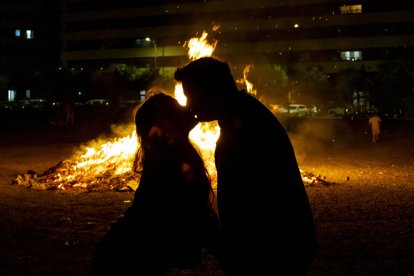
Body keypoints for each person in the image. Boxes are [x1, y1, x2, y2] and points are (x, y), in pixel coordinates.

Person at [174, 56, 318, 275]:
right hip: (277, 248)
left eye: (190, 95)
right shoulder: (244, 115)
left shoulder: (243, 128)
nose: (189, 104)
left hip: (270, 255)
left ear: (210, 91)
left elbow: (246, 206)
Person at [91, 92, 222, 275]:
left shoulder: (170, 154)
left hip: (129, 250)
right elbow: (195, 213)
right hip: (128, 255)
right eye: (178, 108)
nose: (186, 108)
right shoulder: (170, 161)